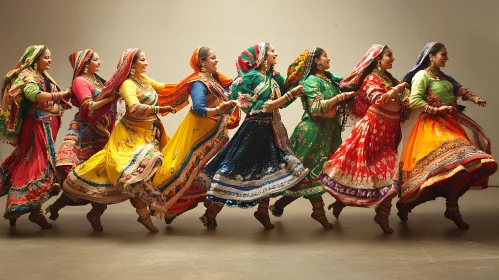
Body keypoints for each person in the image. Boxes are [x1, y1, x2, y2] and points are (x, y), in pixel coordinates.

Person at [63, 48, 180, 232]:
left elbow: (164, 87)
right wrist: (160, 109)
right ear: (132, 65)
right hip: (129, 135)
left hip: (147, 133)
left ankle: (96, 213)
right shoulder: (128, 85)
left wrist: (188, 86)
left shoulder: (143, 80)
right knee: (133, 174)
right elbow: (133, 108)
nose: (147, 62)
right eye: (143, 59)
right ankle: (143, 216)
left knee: (155, 169)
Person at [199, 42, 308, 230]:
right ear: (262, 57)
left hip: (271, 130)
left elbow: (282, 99)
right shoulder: (248, 79)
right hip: (253, 131)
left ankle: (262, 211)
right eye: (272, 51)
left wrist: (299, 74)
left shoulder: (273, 78)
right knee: (234, 170)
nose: (276, 53)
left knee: (269, 171)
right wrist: (289, 95)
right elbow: (257, 107)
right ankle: (211, 212)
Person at [397, 42, 497, 229]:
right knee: (443, 168)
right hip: (431, 126)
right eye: (443, 54)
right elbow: (413, 100)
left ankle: (452, 208)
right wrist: (435, 109)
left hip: (450, 123)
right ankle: (406, 204)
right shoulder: (422, 75)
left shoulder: (444, 77)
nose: (446, 58)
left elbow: (460, 90)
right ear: (431, 56)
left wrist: (475, 98)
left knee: (459, 168)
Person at [320, 44, 408, 233]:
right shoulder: (371, 79)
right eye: (389, 56)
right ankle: (355, 206)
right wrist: (396, 90)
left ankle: (380, 213)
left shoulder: (391, 80)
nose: (392, 59)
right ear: (378, 59)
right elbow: (377, 100)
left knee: (391, 174)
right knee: (371, 175)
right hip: (371, 132)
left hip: (389, 133)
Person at [152, 46, 239, 224]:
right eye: (213, 58)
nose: (217, 61)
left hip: (216, 133)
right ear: (202, 62)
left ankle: (206, 210)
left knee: (217, 171)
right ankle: (175, 207)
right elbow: (199, 109)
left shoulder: (214, 79)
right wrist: (220, 108)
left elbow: (233, 86)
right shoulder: (199, 82)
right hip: (201, 134)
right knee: (190, 171)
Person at [270, 47, 354, 229]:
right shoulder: (310, 81)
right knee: (309, 174)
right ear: (316, 61)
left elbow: (350, 83)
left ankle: (278, 205)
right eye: (325, 56)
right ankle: (318, 211)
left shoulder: (330, 78)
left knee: (318, 174)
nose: (328, 58)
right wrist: (340, 98)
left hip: (329, 132)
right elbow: (316, 108)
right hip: (313, 133)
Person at [0, 45, 71, 228]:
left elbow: (48, 103)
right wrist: (59, 96)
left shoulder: (43, 77)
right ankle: (26, 210)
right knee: (37, 166)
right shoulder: (29, 77)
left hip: (45, 127)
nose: (50, 60)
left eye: (50, 57)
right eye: (46, 57)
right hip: (36, 129)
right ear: (35, 59)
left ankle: (32, 212)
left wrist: (56, 105)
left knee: (32, 165)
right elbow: (33, 95)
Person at [45, 49, 117, 227]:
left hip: (102, 133)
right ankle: (56, 206)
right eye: (96, 60)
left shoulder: (98, 80)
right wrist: (110, 99)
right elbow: (88, 107)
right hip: (86, 132)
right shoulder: (80, 81)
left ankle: (95, 213)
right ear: (85, 64)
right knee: (80, 176)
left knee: (102, 176)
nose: (99, 63)